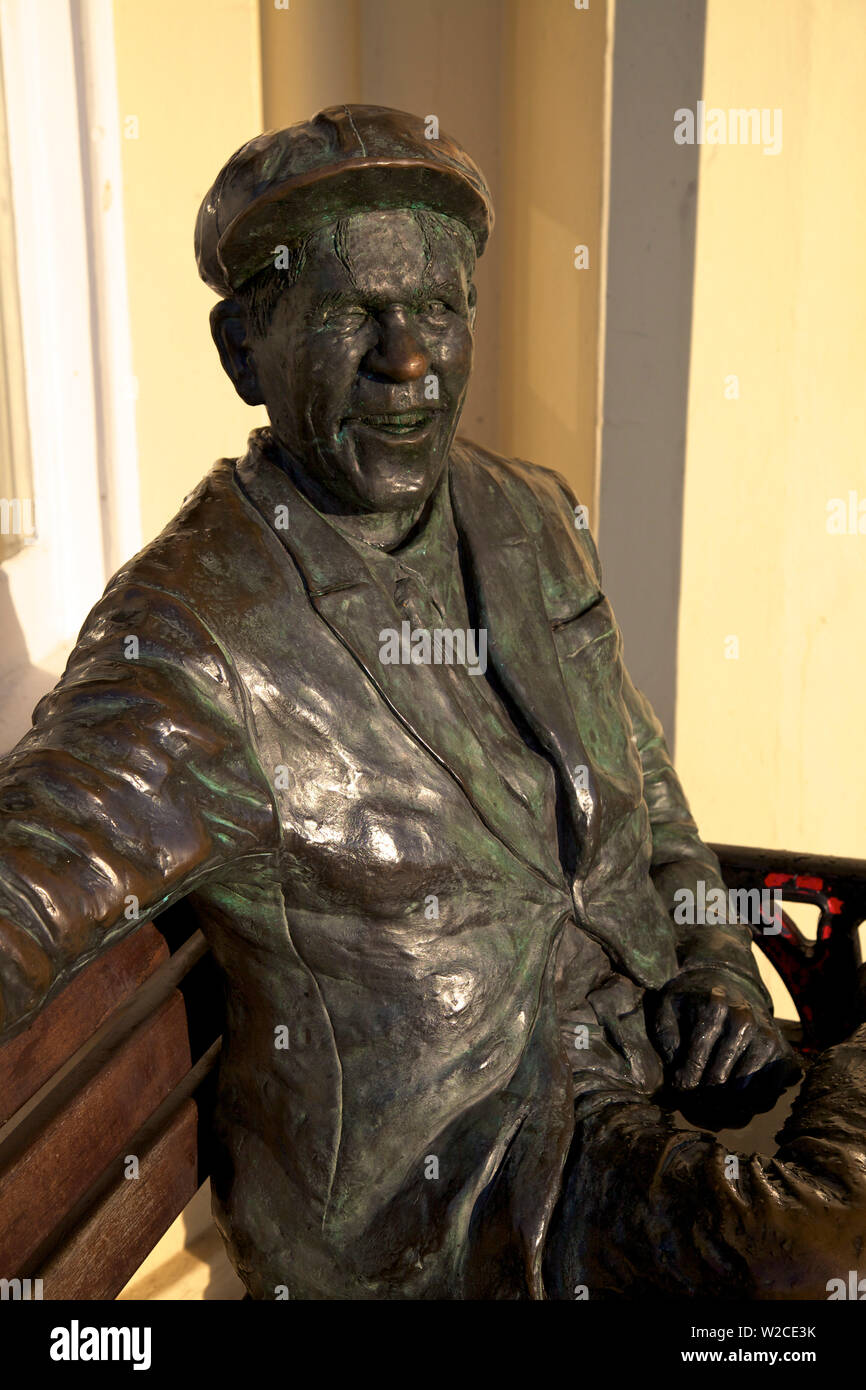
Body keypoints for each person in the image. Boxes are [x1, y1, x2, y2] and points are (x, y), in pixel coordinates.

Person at [0, 105, 796, 1299]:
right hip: (457, 1197)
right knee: (810, 1251)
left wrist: (715, 963)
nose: (408, 359)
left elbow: (647, 783)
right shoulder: (191, 632)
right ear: (241, 352)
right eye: (349, 315)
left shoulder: (531, 513)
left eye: (435, 309)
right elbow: (25, 878)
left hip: (651, 1067)